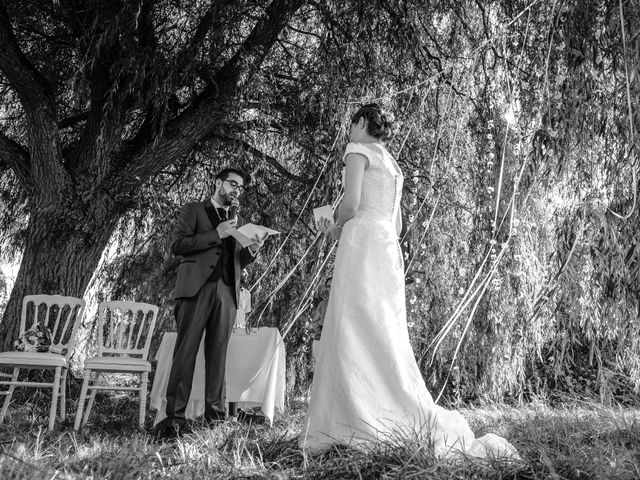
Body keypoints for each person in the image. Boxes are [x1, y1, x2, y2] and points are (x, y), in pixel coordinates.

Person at [300, 104, 518, 459]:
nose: (349, 132)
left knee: (351, 323)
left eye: (351, 124)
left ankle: (351, 416)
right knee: (384, 329)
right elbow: (398, 226)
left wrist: (333, 224)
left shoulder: (356, 151)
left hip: (361, 243)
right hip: (386, 248)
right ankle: (392, 404)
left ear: (360, 122)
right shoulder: (394, 165)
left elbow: (352, 203)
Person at [155, 167, 266, 439]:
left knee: (218, 357)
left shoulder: (235, 220)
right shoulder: (193, 210)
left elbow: (235, 258)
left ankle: (215, 418)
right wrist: (217, 233)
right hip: (195, 290)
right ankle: (174, 420)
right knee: (185, 354)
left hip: (228, 292)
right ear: (218, 183)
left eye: (240, 188)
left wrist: (251, 250)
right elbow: (178, 245)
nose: (236, 190)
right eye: (232, 184)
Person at [309, 276, 331, 366]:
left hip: (336, 340)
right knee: (321, 367)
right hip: (320, 338)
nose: (331, 288)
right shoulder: (323, 303)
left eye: (333, 285)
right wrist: (320, 328)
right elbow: (314, 322)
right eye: (328, 286)